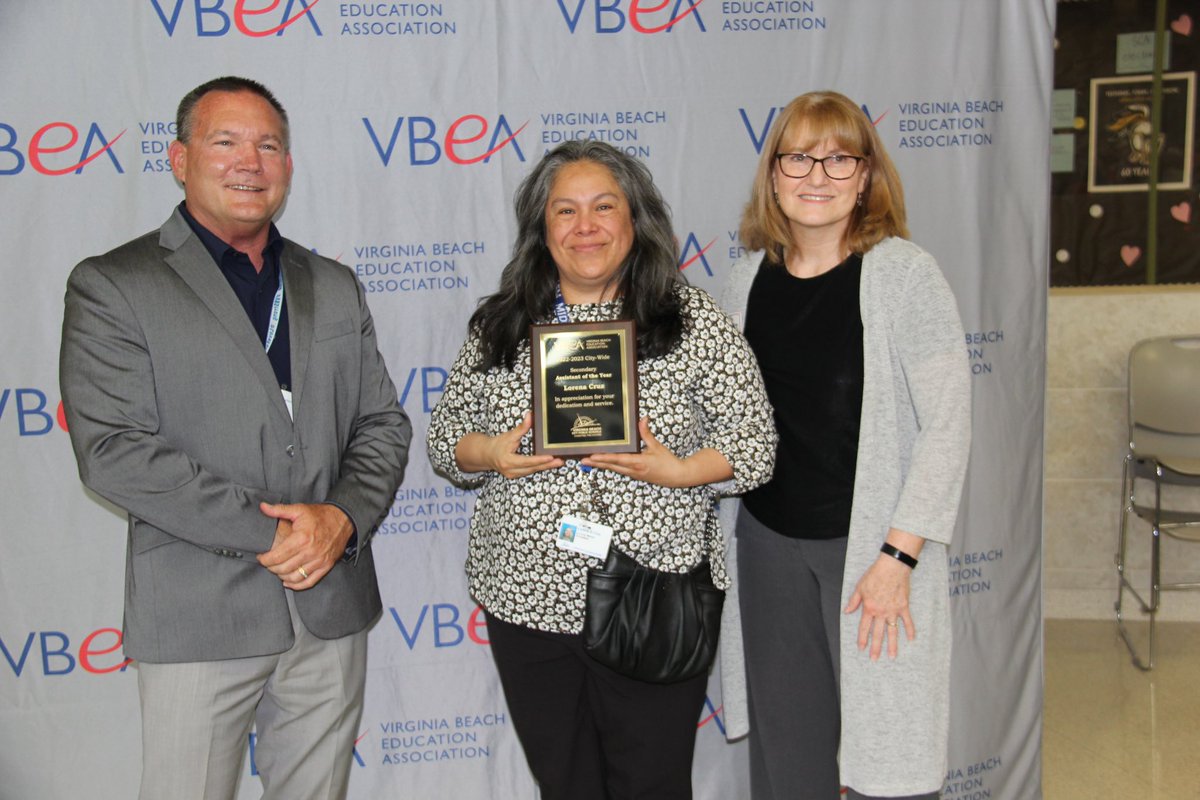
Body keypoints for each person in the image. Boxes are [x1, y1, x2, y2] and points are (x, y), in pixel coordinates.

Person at [59, 76, 411, 800]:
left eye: (269, 144)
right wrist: (273, 533)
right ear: (180, 159)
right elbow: (115, 451)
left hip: (329, 607)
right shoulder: (114, 285)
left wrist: (339, 520)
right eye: (225, 141)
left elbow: (381, 424)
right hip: (199, 615)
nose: (249, 161)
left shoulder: (334, 284)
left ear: (288, 166)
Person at [427, 139, 776, 800]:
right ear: (541, 229)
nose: (585, 226)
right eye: (565, 211)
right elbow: (447, 443)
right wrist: (493, 452)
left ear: (634, 220)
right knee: (565, 785)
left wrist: (679, 472)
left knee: (652, 785)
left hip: (654, 596)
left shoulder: (691, 321)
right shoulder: (501, 326)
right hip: (526, 600)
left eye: (603, 207)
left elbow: (755, 447)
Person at [720, 91, 971, 799]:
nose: (817, 175)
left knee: (890, 755)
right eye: (799, 156)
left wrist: (899, 555)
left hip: (871, 556)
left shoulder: (904, 276)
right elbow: (727, 422)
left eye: (838, 158)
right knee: (788, 755)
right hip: (768, 548)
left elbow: (949, 424)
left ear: (865, 176)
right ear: (774, 175)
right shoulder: (743, 283)